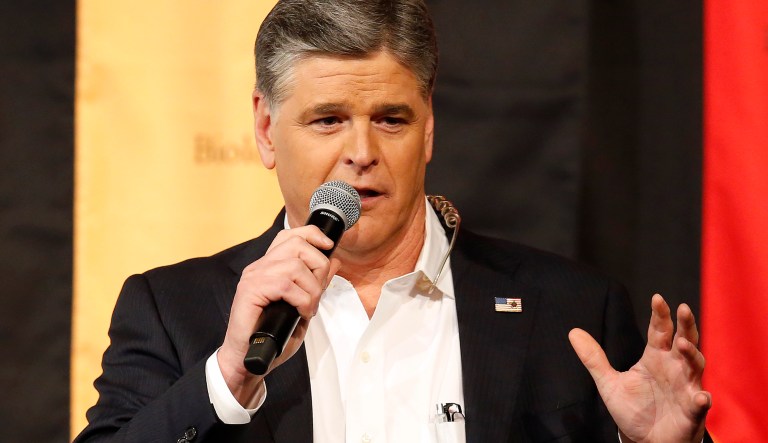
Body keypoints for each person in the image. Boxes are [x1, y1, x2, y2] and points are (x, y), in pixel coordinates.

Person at [74, 0, 711, 442]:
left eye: (391, 118)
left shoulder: (572, 309)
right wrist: (231, 375)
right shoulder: (172, 309)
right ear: (266, 131)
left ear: (428, 127)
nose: (362, 152)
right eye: (327, 119)